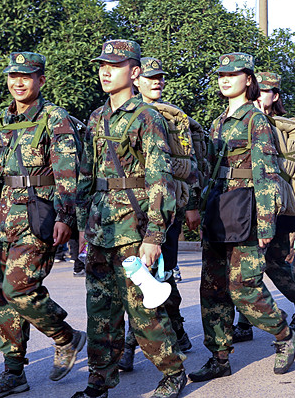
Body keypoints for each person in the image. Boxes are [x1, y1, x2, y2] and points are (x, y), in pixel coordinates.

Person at [72, 40, 186, 398]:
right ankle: (98, 382)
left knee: (142, 308)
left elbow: (160, 178)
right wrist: (82, 225)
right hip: (99, 227)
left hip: (132, 228)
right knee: (99, 309)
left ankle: (173, 372)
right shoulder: (96, 117)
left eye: (115, 65)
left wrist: (154, 235)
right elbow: (86, 175)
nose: (106, 71)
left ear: (134, 72)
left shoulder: (147, 117)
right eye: (102, 65)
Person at [186, 53, 295, 382]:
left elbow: (267, 173)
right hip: (218, 212)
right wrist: (197, 207)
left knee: (244, 287)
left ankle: (284, 335)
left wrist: (266, 222)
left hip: (246, 213)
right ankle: (219, 357)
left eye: (233, 74)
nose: (225, 79)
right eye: (221, 74)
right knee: (212, 289)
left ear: (248, 80)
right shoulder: (218, 123)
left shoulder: (255, 120)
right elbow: (205, 171)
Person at [0, 51, 86, 396]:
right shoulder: (2, 120)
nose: (18, 83)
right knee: (0, 292)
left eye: (26, 76)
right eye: (13, 76)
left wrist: (66, 216)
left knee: (19, 288)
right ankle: (13, 371)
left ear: (40, 80)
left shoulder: (54, 118)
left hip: (37, 214)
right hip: (4, 217)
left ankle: (66, 336)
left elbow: (68, 171)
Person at [117, 57, 196, 371]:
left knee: (161, 273)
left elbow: (189, 162)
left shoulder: (175, 117)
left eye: (160, 77)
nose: (157, 82)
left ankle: (170, 331)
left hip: (165, 208)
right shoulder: (122, 116)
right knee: (137, 278)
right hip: (128, 208)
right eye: (150, 77)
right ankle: (136, 344)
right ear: (136, 79)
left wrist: (191, 206)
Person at [230, 71, 295, 343]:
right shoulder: (242, 122)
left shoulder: (283, 128)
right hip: (247, 204)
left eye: (265, 91)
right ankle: (245, 322)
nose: (258, 95)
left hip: (280, 206)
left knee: (273, 263)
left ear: (275, 96)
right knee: (247, 265)